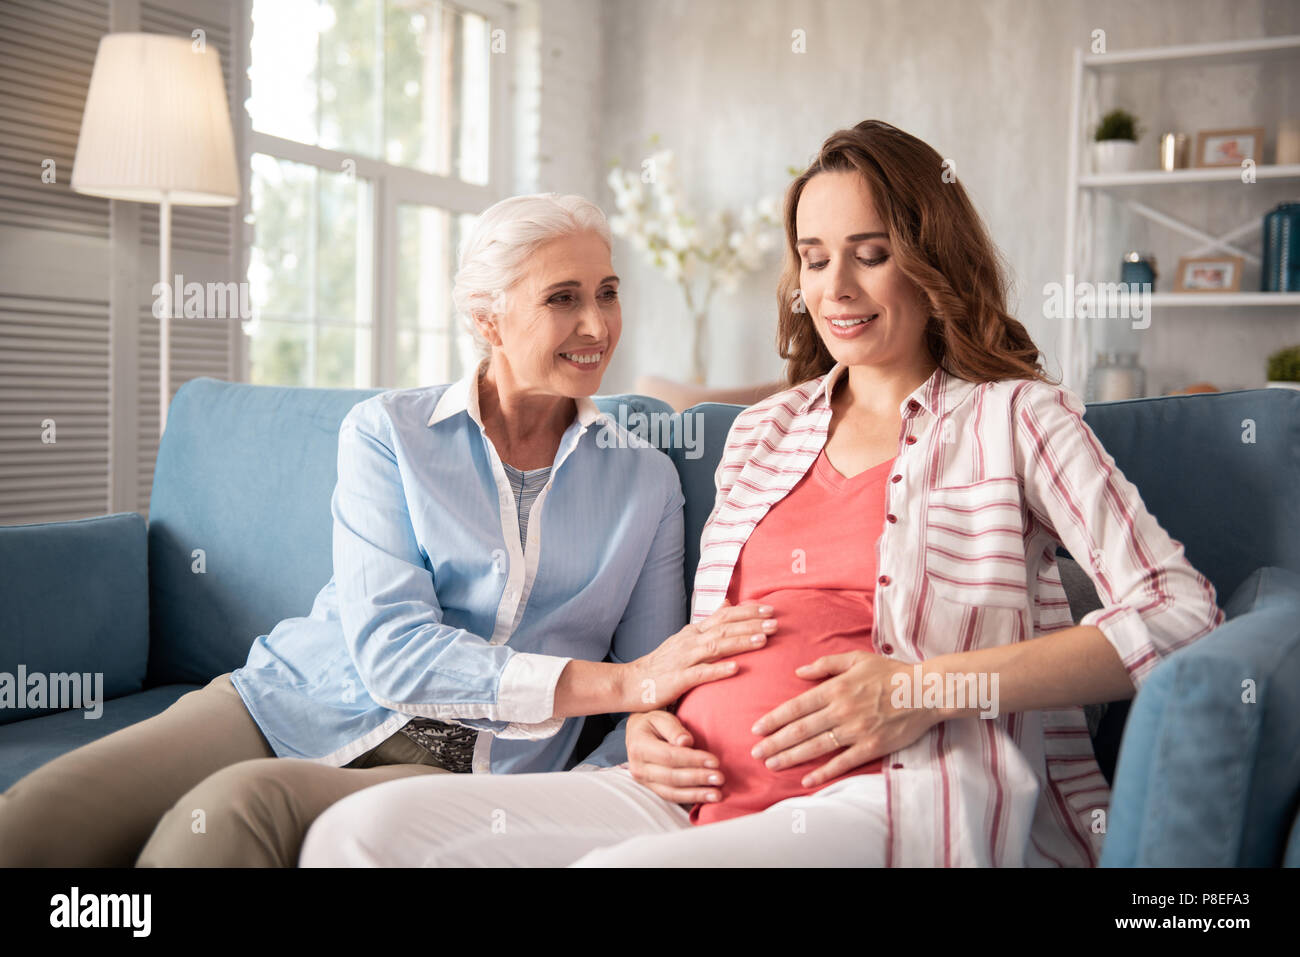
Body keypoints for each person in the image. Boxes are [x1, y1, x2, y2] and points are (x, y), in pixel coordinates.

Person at [297, 120, 1225, 868]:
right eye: (815, 257)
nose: (837, 287)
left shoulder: (1015, 419)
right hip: (686, 790)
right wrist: (649, 721)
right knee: (359, 837)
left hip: (891, 786)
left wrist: (922, 687)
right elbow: (691, 650)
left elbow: (1179, 611)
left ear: (930, 259)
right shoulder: (761, 433)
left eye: (870, 251)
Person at [0, 193, 771, 867]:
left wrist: (614, 752)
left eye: (607, 292)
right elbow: (393, 650)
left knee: (229, 818)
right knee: (36, 820)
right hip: (294, 695)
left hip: (464, 763)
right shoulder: (389, 433)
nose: (597, 324)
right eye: (562, 298)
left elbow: (655, 677)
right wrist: (626, 683)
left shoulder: (644, 483)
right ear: (485, 317)